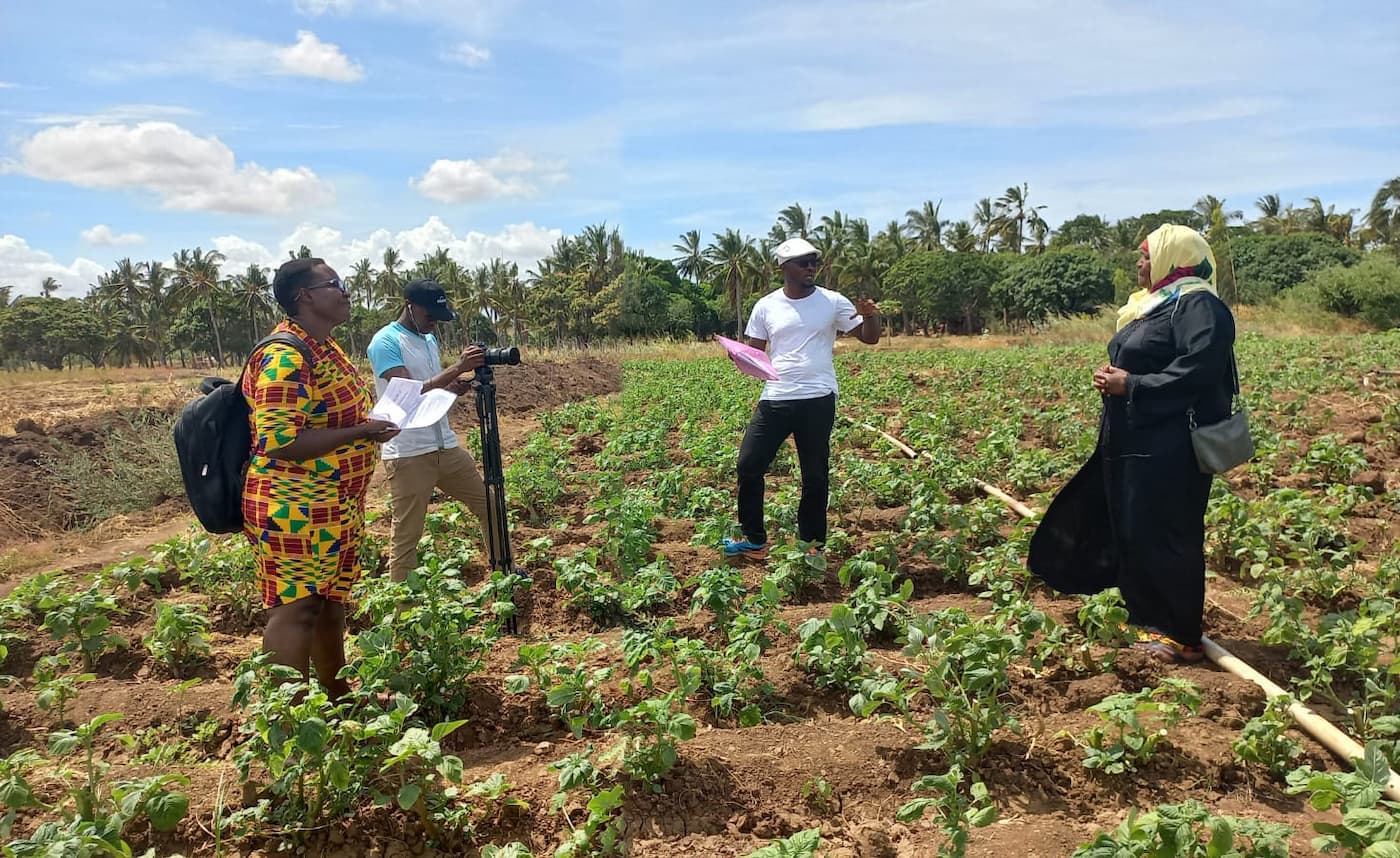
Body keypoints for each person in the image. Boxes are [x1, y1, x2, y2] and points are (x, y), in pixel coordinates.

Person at [1027, 224, 1237, 664]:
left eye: (1145, 257)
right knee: (1137, 529)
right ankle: (1146, 621)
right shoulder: (1155, 306)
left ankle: (1180, 633)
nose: (1140, 265)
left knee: (1169, 532)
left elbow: (1199, 371)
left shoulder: (1199, 306)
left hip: (1173, 445)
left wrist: (1133, 383)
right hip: (1135, 440)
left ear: (1173, 261)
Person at [242, 257, 398, 697]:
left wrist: (369, 425)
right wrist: (364, 431)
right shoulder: (284, 356)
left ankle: (337, 703)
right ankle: (287, 721)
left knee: (331, 605)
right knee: (296, 610)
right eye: (336, 284)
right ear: (304, 297)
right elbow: (279, 440)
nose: (346, 291)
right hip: (293, 507)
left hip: (335, 505)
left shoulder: (325, 348)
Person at [722, 237, 881, 560]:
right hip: (776, 396)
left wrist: (871, 316)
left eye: (814, 261)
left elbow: (869, 337)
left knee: (814, 474)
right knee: (749, 465)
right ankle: (754, 540)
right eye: (803, 262)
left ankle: (812, 547)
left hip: (817, 397)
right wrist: (737, 354)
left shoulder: (833, 301)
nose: (811, 267)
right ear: (784, 268)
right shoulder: (766, 306)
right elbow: (755, 350)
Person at [367, 279, 514, 582]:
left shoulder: (428, 340)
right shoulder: (385, 342)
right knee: (407, 534)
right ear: (410, 306)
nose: (434, 323)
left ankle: (504, 572)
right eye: (429, 316)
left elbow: (430, 385)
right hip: (409, 452)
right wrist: (457, 368)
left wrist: (451, 386)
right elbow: (406, 391)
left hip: (445, 446)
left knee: (490, 505)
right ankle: (402, 607)